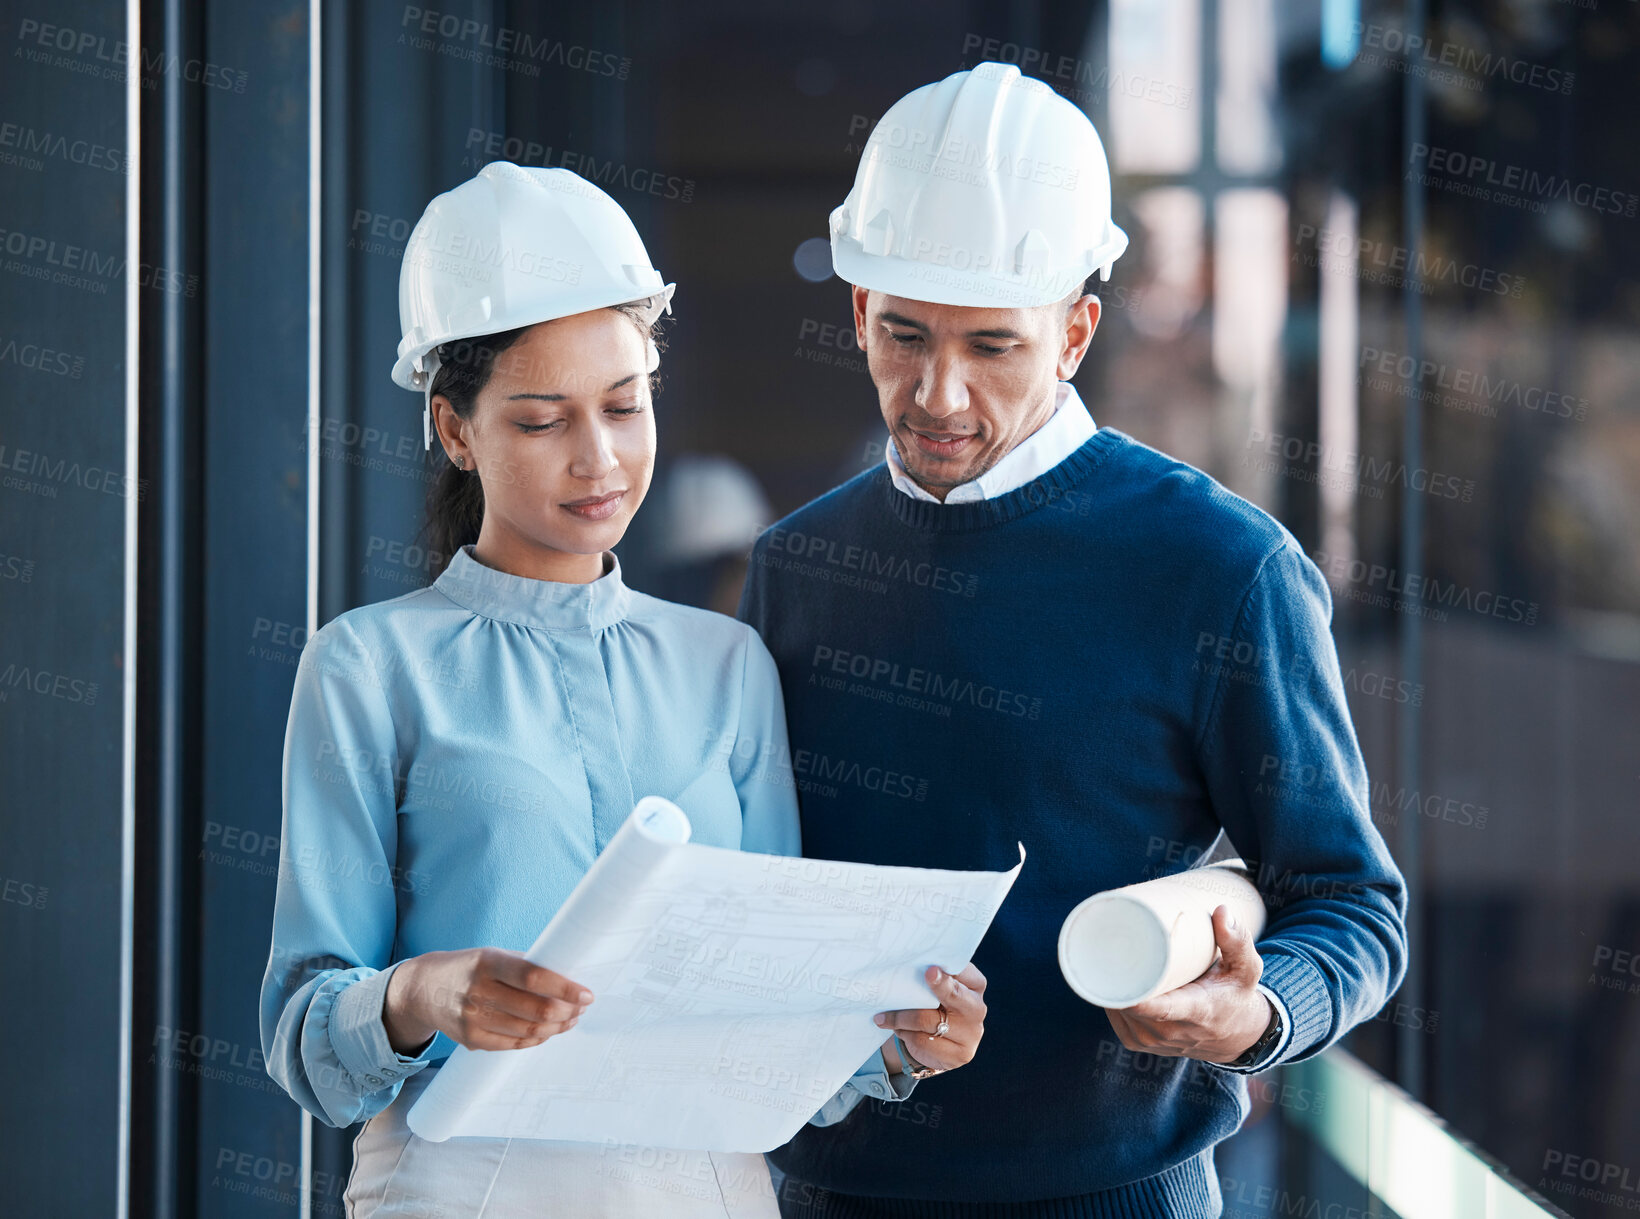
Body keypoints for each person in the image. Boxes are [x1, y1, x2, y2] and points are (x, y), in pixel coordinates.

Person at [737, 63, 1409, 1218]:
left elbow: (1349, 903)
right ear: (857, 313)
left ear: (1074, 331)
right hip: (827, 1196)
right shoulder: (796, 567)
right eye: (903, 335)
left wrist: (1251, 1015)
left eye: (991, 346)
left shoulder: (1216, 568)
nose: (937, 392)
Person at [258, 161, 987, 1219]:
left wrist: (898, 1037)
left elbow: (778, 1019)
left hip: (703, 1190)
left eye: (622, 405)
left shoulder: (725, 665)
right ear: (456, 430)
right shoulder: (367, 667)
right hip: (461, 1189)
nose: (598, 458)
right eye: (541, 421)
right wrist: (421, 994)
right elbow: (302, 1040)